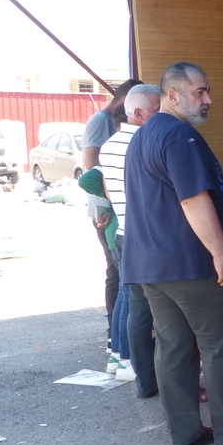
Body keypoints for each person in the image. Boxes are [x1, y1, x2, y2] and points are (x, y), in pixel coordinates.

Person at [122, 62, 223, 445]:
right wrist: (221, 253)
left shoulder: (145, 134)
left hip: (151, 267)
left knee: (172, 349)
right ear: (173, 96)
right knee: (219, 347)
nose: (208, 100)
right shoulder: (179, 135)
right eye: (199, 92)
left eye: (207, 92)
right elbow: (192, 199)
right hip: (189, 265)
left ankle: (186, 433)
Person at [99, 84, 162, 397]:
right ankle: (164, 379)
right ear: (138, 113)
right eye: (156, 110)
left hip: (125, 233)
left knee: (138, 312)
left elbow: (109, 191)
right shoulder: (142, 142)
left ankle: (144, 381)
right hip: (149, 237)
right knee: (165, 316)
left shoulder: (109, 145)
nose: (162, 116)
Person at [83, 79, 142, 346]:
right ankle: (115, 338)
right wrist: (105, 207)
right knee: (119, 278)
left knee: (122, 281)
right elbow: (91, 166)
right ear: (126, 99)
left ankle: (119, 343)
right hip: (109, 212)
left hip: (116, 210)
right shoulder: (101, 121)